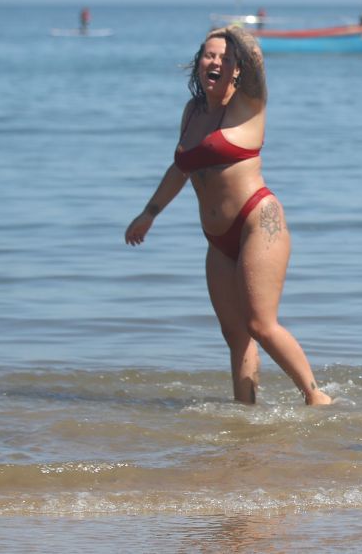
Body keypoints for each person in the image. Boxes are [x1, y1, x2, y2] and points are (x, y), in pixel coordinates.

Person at [124, 26, 331, 406]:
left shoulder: (248, 103)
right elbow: (180, 169)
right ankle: (245, 414)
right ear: (198, 64)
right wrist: (149, 213)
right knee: (236, 335)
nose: (214, 61)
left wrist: (229, 31)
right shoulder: (193, 112)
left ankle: (316, 397)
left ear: (237, 68)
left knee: (259, 324)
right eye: (208, 55)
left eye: (224, 56)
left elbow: (255, 58)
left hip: (257, 222)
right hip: (217, 239)